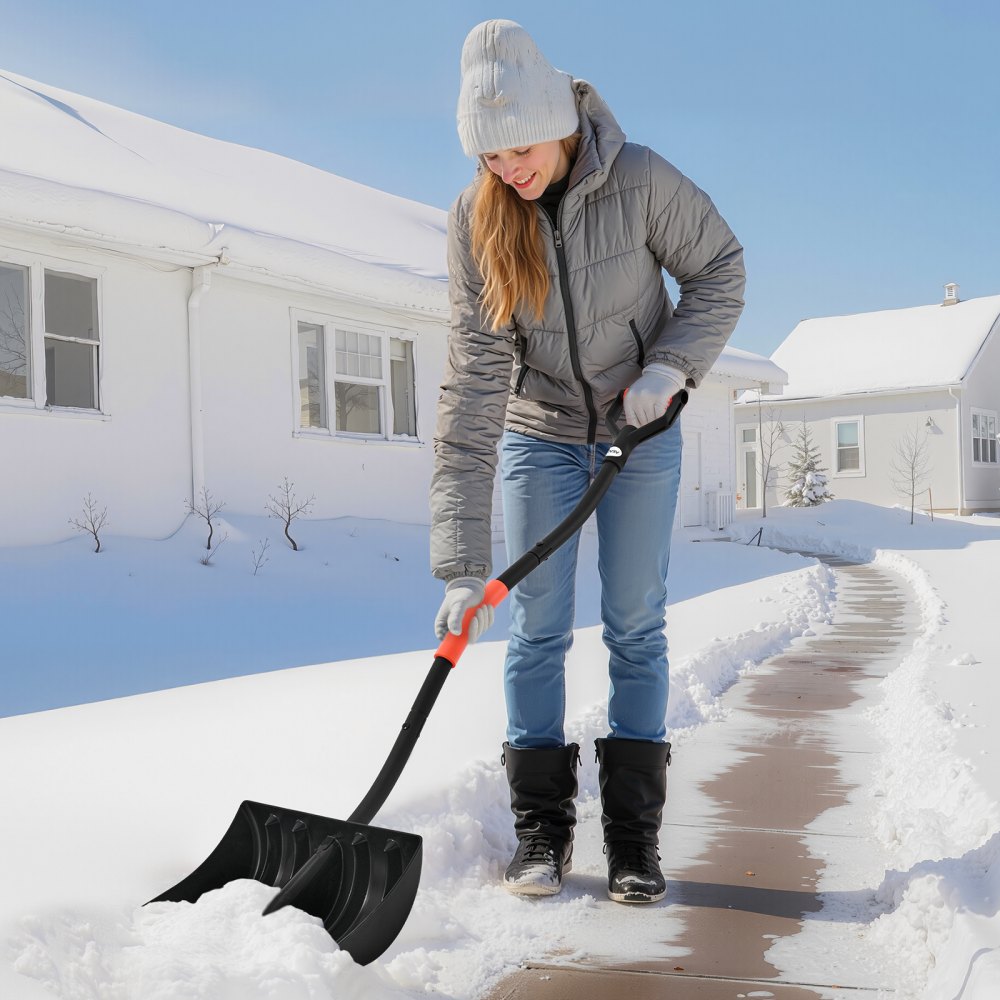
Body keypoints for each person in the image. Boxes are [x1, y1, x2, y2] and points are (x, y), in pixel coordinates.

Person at [431, 19, 745, 903]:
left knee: (635, 624)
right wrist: (458, 568)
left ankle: (634, 842)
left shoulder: (639, 177)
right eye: (488, 158)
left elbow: (720, 267)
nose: (507, 171)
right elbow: (472, 392)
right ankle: (540, 835)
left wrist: (670, 365)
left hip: (637, 431)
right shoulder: (477, 219)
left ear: (557, 123)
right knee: (535, 629)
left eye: (519, 149)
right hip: (541, 434)